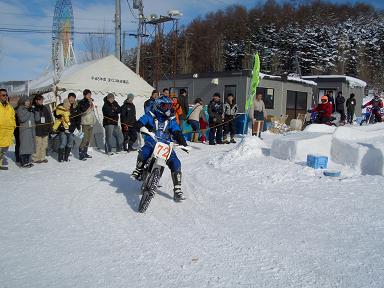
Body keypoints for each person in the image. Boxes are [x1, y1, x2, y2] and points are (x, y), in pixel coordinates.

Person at [131, 95, 190, 202]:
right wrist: (141, 127)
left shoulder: (171, 119)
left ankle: (177, 190)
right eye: (165, 106)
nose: (167, 108)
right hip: (152, 141)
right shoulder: (150, 115)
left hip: (166, 144)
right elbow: (139, 123)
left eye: (169, 106)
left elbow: (177, 131)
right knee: (145, 151)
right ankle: (138, 169)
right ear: (158, 105)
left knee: (176, 162)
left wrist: (183, 143)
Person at [55, 94, 81, 162]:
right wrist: (59, 117)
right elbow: (56, 112)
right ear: (68, 98)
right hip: (63, 128)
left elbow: (78, 118)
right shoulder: (62, 104)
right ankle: (60, 158)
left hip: (72, 128)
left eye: (73, 98)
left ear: (75, 98)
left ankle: (66, 158)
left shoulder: (76, 107)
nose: (72, 99)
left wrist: (78, 127)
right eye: (70, 97)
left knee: (70, 143)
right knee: (63, 142)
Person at [32, 95, 52, 163]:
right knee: (38, 145)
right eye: (40, 100)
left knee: (44, 145)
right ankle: (36, 158)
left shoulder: (45, 108)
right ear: (36, 100)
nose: (41, 101)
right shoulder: (33, 109)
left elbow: (49, 118)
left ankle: (42, 157)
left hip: (45, 130)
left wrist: (50, 127)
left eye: (42, 100)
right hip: (37, 130)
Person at [16, 96, 36, 168]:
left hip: (31, 130)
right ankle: (23, 161)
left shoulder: (29, 109)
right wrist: (29, 112)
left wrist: (35, 112)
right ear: (23, 101)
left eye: (29, 101)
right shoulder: (20, 109)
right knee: (24, 146)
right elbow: (22, 119)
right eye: (26, 101)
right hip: (24, 130)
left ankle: (29, 160)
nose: (28, 102)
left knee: (30, 146)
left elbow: (36, 119)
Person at [0, 89, 16, 170]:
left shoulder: (10, 107)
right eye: (3, 95)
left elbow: (13, 118)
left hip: (8, 133)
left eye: (6, 95)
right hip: (0, 132)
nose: (5, 97)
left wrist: (13, 126)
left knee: (3, 150)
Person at [78, 89, 96, 160]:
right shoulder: (82, 102)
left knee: (88, 139)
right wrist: (89, 104)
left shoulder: (91, 101)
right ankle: (81, 154)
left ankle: (85, 153)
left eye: (90, 94)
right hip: (85, 122)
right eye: (88, 94)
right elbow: (84, 111)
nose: (89, 96)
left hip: (91, 122)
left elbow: (92, 112)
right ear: (84, 95)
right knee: (84, 139)